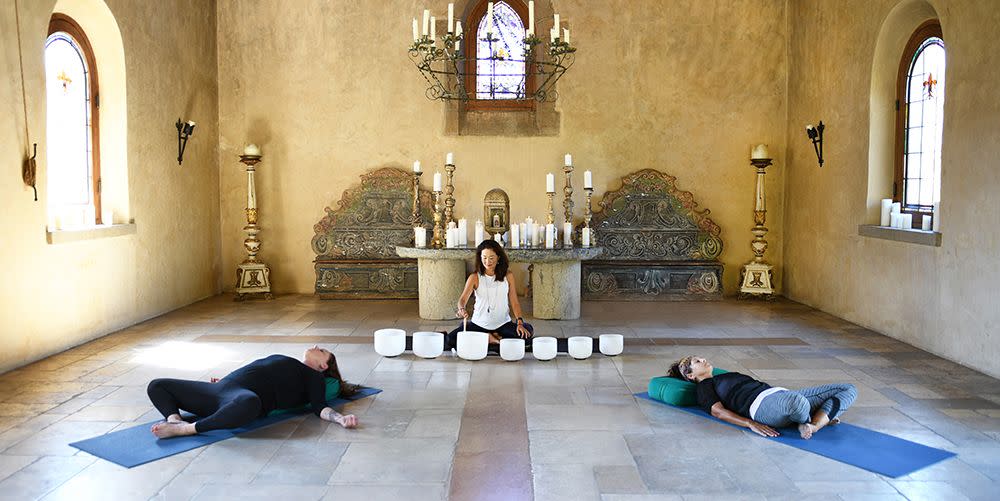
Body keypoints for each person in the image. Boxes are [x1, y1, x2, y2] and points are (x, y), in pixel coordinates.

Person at [146, 346, 359, 438]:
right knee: (157, 385)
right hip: (219, 390)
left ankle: (187, 429)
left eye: (322, 351)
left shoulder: (314, 378)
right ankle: (174, 420)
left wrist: (340, 419)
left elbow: (320, 407)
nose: (316, 346)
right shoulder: (289, 360)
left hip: (242, 399)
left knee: (250, 402)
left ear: (323, 366)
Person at [668, 355, 857, 439]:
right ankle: (817, 419)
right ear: (691, 376)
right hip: (761, 407)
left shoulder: (721, 376)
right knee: (797, 402)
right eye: (697, 362)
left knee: (848, 389)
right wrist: (750, 423)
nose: (702, 359)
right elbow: (718, 412)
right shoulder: (704, 387)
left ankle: (813, 424)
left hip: (779, 394)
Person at [446, 239, 533, 350]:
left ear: (498, 258)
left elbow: (514, 302)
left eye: (491, 258)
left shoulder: (508, 276)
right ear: (480, 257)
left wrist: (520, 322)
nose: (487, 262)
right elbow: (462, 300)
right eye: (484, 258)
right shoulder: (474, 277)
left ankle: (488, 339)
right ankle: (494, 340)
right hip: (479, 324)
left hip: (503, 323)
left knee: (527, 335)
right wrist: (461, 309)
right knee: (450, 340)